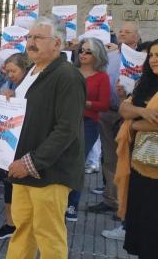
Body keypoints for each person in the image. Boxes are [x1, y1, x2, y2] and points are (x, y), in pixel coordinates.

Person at [5, 18, 86, 259]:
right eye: (29, 37)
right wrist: (11, 99)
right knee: (23, 230)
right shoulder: (33, 71)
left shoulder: (67, 75)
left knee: (48, 235)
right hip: (23, 167)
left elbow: (66, 129)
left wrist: (31, 162)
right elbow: (32, 112)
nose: (30, 43)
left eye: (38, 38)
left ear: (57, 43)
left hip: (49, 171)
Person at [114, 37, 158, 258]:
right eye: (151, 55)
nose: (153, 60)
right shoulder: (147, 83)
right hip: (139, 166)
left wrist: (133, 123)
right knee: (142, 232)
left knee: (157, 235)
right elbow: (124, 109)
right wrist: (143, 113)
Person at [93, 23, 140, 239]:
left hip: (131, 117)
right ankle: (111, 200)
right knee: (109, 158)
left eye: (127, 32)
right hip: (108, 112)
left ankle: (126, 205)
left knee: (127, 161)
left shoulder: (143, 58)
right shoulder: (111, 57)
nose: (122, 34)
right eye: (120, 31)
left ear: (137, 36)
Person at [65, 38, 110, 222]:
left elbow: (105, 104)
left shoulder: (101, 77)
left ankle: (72, 204)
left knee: (77, 162)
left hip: (88, 123)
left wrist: (85, 103)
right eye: (81, 50)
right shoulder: (70, 71)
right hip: (66, 121)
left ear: (97, 55)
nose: (83, 54)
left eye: (88, 51)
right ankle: (59, 200)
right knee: (63, 161)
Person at [0, 53, 30, 240]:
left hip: (25, 144)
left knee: (20, 187)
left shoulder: (32, 86)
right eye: (7, 72)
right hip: (9, 142)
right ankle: (10, 223)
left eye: (13, 71)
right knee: (9, 185)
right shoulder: (10, 83)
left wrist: (15, 98)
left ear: (25, 69)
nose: (10, 75)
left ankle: (23, 225)